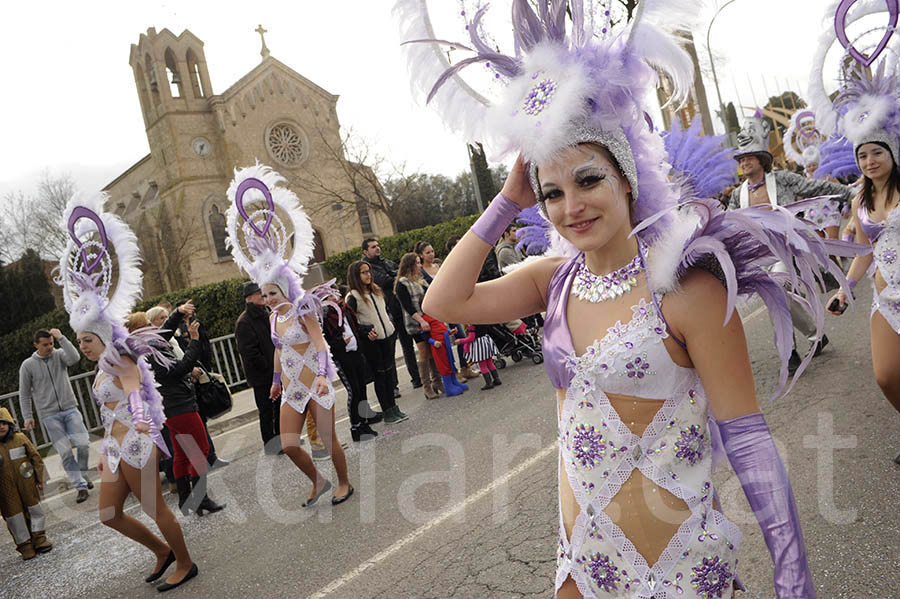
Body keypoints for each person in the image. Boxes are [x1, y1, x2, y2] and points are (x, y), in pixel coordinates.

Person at [399, 2, 858, 596]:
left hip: (682, 565)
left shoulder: (687, 289)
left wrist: (794, 579)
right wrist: (509, 199)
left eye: (588, 180)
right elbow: (444, 300)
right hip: (586, 561)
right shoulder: (551, 281)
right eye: (553, 193)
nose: (572, 207)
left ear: (626, 178)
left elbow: (749, 441)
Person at [60, 194, 197, 591]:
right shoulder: (99, 371)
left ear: (104, 337)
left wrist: (139, 414)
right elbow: (107, 416)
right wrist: (105, 450)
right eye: (80, 339)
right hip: (118, 449)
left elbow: (136, 387)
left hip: (139, 442)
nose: (83, 345)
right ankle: (162, 551)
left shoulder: (120, 358)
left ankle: (185, 562)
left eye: (88, 339)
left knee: (155, 507)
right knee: (108, 513)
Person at [225, 164, 353, 506]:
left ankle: (343, 482)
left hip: (316, 381)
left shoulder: (304, 309)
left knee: (328, 439)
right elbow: (280, 350)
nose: (269, 300)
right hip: (293, 388)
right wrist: (277, 380)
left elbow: (320, 343)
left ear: (285, 289)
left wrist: (325, 377)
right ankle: (318, 481)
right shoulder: (272, 320)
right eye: (264, 295)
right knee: (288, 443)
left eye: (273, 293)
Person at [729, 111, 853, 373]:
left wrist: (850, 192)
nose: (745, 162)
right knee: (777, 297)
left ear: (762, 159)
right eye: (741, 158)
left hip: (787, 251)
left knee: (776, 286)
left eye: (749, 156)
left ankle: (789, 353)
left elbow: (816, 189)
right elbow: (727, 225)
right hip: (757, 258)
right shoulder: (737, 195)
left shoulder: (782, 180)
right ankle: (816, 335)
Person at [824, 62, 900, 463]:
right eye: (863, 155)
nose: (870, 161)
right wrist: (845, 287)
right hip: (886, 298)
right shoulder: (860, 200)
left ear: (891, 153)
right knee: (886, 375)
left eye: (877, 152)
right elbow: (864, 249)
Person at [127, 310, 225, 517]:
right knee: (201, 449)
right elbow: (180, 368)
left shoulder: (144, 345)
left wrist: (178, 313)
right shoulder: (146, 351)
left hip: (170, 405)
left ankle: (186, 499)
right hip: (177, 404)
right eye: (147, 323)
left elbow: (165, 332)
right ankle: (200, 498)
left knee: (181, 452)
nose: (153, 327)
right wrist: (195, 341)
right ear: (137, 330)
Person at [18, 328, 93, 503]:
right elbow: (24, 394)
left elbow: (75, 358)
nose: (49, 347)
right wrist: (27, 416)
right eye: (45, 345)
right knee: (66, 452)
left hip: (70, 409)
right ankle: (80, 486)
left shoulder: (60, 355)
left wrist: (61, 338)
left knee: (83, 444)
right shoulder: (27, 365)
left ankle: (82, 474)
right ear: (36, 345)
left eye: (51, 343)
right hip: (49, 415)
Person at [346, 260, 408, 423]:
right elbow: (352, 322)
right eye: (364, 272)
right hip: (372, 342)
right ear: (356, 276)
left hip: (387, 336)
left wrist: (391, 323)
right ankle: (387, 410)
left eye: (369, 271)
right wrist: (366, 332)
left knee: (389, 373)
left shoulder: (376, 290)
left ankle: (394, 407)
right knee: (380, 376)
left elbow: (386, 310)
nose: (368, 275)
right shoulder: (353, 296)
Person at [362, 238, 421, 392]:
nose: (377, 248)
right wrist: (398, 276)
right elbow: (385, 281)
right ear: (365, 251)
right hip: (391, 312)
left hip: (405, 309)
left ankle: (419, 377)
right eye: (373, 247)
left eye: (378, 245)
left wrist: (397, 275)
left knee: (419, 343)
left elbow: (399, 274)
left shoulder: (386, 262)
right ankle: (394, 386)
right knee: (397, 349)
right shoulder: (369, 268)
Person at [323, 285, 381, 441]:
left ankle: (363, 422)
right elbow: (325, 342)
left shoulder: (345, 310)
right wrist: (339, 342)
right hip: (342, 357)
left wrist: (367, 331)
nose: (335, 298)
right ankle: (355, 426)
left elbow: (355, 328)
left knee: (361, 388)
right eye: (330, 296)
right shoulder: (325, 316)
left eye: (335, 294)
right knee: (353, 390)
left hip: (355, 353)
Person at [234, 281, 281, 454]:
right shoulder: (244, 322)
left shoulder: (267, 313)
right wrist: (268, 366)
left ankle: (282, 438)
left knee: (279, 407)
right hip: (262, 375)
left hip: (275, 371)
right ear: (249, 298)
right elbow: (249, 352)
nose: (263, 296)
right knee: (267, 410)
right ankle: (271, 444)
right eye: (259, 293)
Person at [0, 407, 52, 560]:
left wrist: (40, 479)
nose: (1, 426)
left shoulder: (20, 438)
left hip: (27, 484)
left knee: (34, 508)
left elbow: (35, 457)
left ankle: (40, 539)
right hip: (5, 489)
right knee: (14, 516)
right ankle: (25, 545)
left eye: (4, 423)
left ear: (10, 424)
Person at [395, 253, 442, 400]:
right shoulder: (402, 283)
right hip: (416, 323)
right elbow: (407, 306)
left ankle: (437, 382)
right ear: (409, 265)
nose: (420, 265)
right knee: (424, 352)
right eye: (417, 263)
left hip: (429, 320)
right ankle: (426, 387)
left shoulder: (420, 280)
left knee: (433, 350)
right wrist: (421, 321)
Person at [420, 313, 468, 397]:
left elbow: (442, 328)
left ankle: (454, 382)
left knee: (450, 362)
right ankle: (448, 387)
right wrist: (433, 342)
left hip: (445, 341)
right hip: (439, 345)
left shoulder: (435, 314)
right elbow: (424, 335)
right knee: (444, 365)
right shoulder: (425, 318)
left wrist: (450, 332)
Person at [458, 324, 501, 390]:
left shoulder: (472, 326)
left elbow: (471, 338)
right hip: (486, 341)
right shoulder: (482, 322)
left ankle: (489, 383)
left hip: (479, 345)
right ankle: (497, 379)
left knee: (482, 365)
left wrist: (460, 341)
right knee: (490, 362)